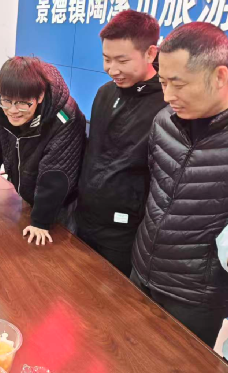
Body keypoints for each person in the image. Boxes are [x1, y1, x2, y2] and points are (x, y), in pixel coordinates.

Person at [131, 22, 228, 347]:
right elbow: (152, 190)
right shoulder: (164, 122)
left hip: (195, 297)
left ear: (220, 77)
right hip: (141, 271)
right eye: (163, 82)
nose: (168, 96)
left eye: (179, 84)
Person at [75, 10, 167, 276]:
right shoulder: (104, 93)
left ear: (150, 53)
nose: (112, 69)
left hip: (125, 231)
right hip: (85, 218)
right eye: (106, 59)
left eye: (122, 60)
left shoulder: (167, 104)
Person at [0, 57, 86, 245]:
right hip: (27, 196)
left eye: (22, 103)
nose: (13, 110)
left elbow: (55, 174)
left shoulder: (65, 117)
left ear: (40, 96)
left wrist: (40, 222)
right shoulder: (1, 102)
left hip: (60, 203)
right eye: (7, 101)